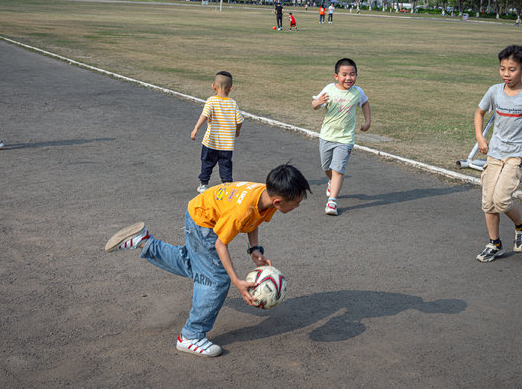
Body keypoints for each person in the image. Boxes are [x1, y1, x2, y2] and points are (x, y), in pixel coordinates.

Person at [104, 164, 311, 357]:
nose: (298, 206)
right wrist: (237, 282)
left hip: (203, 211)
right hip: (204, 223)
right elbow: (221, 245)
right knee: (217, 280)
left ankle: (143, 241)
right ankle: (191, 335)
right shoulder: (242, 210)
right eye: (296, 203)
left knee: (197, 266)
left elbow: (254, 220)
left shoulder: (264, 194)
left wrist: (254, 249)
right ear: (278, 201)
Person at [474, 45, 522, 263]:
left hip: (517, 155)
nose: (506, 74)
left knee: (501, 199)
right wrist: (480, 137)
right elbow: (479, 112)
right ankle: (495, 244)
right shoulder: (494, 91)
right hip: (495, 153)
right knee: (488, 202)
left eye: (512, 69)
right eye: (502, 69)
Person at [311, 58, 371, 216]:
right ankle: (331, 182)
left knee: (338, 169)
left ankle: (332, 201)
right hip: (327, 136)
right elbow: (315, 105)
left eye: (352, 74)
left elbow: (365, 103)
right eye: (344, 74)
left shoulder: (358, 92)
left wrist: (367, 121)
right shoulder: (329, 89)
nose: (348, 78)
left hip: (345, 139)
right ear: (336, 76)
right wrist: (318, 102)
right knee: (327, 168)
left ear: (356, 75)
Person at [191, 71, 244, 193]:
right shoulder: (233, 103)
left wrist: (196, 128)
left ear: (213, 86)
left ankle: (203, 184)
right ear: (231, 88)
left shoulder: (211, 101)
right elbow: (240, 120)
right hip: (227, 144)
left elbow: (204, 115)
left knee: (207, 162)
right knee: (226, 165)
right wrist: (237, 129)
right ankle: (227, 185)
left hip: (211, 142)